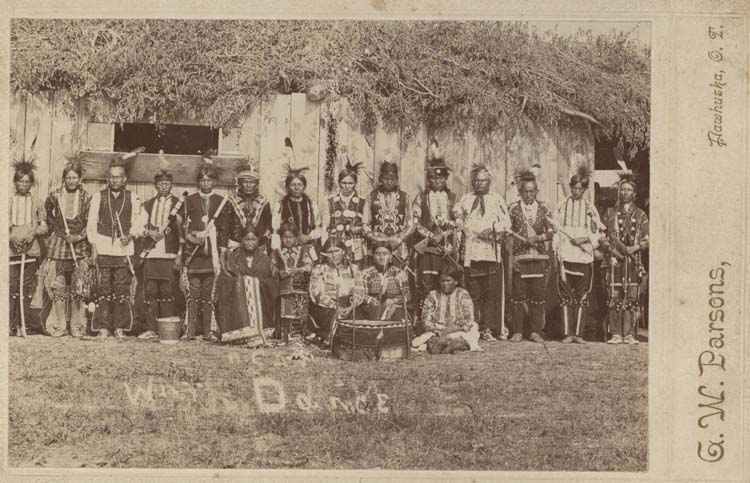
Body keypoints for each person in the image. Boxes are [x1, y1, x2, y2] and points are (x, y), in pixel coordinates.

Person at [86, 150, 146, 339]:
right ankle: (103, 327)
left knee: (121, 289)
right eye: (112, 177)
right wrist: (94, 246)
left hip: (123, 249)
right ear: (108, 178)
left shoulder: (133, 197)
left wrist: (131, 235)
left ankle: (120, 327)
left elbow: (141, 219)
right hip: (103, 247)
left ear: (125, 179)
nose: (115, 181)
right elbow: (91, 223)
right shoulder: (98, 197)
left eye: (118, 177)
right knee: (103, 288)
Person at [453, 162, 510, 341]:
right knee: (473, 292)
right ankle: (473, 327)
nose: (479, 184)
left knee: (490, 292)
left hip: (490, 252)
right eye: (476, 181)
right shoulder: (466, 199)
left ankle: (488, 328)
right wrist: (460, 222)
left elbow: (507, 223)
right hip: (472, 252)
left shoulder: (497, 199)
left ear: (489, 182)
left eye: (483, 181)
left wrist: (493, 231)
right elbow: (457, 217)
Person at [179, 157, 231, 342]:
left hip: (212, 255)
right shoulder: (189, 200)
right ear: (198, 182)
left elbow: (225, 229)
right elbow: (182, 226)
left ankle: (208, 331)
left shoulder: (222, 201)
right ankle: (191, 330)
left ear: (214, 182)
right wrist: (191, 237)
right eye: (202, 180)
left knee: (209, 294)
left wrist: (221, 251)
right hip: (194, 255)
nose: (206, 183)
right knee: (193, 294)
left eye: (209, 180)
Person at [42, 156, 92, 337]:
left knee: (79, 284)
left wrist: (78, 236)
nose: (71, 181)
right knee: (59, 285)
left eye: (74, 177)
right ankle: (58, 323)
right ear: (65, 179)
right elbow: (48, 212)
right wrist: (58, 229)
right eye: (68, 177)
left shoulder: (86, 197)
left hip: (78, 244)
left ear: (80, 179)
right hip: (61, 243)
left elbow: (90, 221)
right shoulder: (55, 195)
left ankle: (78, 324)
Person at [554, 164, 603, 343]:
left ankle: (579, 334)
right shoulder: (561, 206)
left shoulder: (590, 208)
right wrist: (558, 252)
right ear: (570, 187)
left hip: (583, 257)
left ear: (584, 189)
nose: (576, 191)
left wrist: (583, 239)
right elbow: (556, 231)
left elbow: (598, 231)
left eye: (579, 188)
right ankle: (568, 333)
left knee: (582, 295)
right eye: (573, 188)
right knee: (566, 295)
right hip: (566, 255)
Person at [411, 140, 460, 318]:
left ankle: (445, 318)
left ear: (445, 178)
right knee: (426, 284)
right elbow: (415, 223)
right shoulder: (421, 198)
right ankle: (424, 320)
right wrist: (432, 236)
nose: (436, 181)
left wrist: (446, 235)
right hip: (427, 250)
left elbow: (459, 222)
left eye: (440, 177)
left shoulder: (453, 198)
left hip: (446, 251)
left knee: (445, 283)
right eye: (432, 178)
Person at [507, 168, 555, 343]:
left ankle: (535, 331)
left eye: (531, 191)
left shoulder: (544, 210)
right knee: (518, 295)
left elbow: (551, 232)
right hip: (520, 258)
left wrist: (537, 237)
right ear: (520, 192)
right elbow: (507, 231)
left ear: (536, 191)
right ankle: (518, 331)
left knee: (537, 295)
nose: (528, 195)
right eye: (525, 191)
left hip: (539, 258)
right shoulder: (512, 210)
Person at [601, 173, 649, 345]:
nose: (625, 193)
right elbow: (603, 236)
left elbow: (647, 239)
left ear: (634, 193)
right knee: (614, 294)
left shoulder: (641, 214)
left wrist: (634, 248)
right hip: (615, 260)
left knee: (631, 296)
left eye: (629, 190)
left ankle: (629, 334)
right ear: (619, 192)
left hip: (633, 260)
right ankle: (615, 333)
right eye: (622, 190)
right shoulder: (610, 213)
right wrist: (613, 250)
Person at [137, 169, 183, 340]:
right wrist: (149, 233)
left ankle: (167, 328)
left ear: (171, 185)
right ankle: (151, 328)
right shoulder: (148, 205)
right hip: (151, 253)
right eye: (161, 183)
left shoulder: (180, 205)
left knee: (167, 290)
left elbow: (183, 235)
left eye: (167, 183)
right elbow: (138, 227)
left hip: (169, 254)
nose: (164, 186)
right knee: (150, 291)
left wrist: (179, 254)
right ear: (155, 185)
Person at [216, 226, 279, 344]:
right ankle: (240, 332)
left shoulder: (264, 259)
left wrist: (255, 283)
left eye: (253, 240)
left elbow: (271, 281)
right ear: (242, 241)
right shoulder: (234, 257)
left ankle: (259, 330)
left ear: (258, 241)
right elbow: (225, 279)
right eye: (247, 240)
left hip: (261, 300)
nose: (250, 243)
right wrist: (241, 282)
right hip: (238, 300)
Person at [9, 155, 48, 336]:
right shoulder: (7, 201)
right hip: (11, 250)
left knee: (26, 287)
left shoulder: (37, 202)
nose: (23, 185)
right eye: (20, 181)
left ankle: (23, 324)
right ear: (15, 182)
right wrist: (11, 238)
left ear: (31, 183)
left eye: (27, 182)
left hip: (30, 249)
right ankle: (10, 323)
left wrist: (32, 234)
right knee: (12, 286)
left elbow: (44, 226)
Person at [308, 238, 364, 346]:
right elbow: (316, 293)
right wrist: (335, 306)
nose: (333, 255)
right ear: (325, 254)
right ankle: (331, 337)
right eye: (330, 252)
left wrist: (351, 306)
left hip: (350, 305)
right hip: (327, 307)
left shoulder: (353, 269)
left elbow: (359, 290)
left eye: (336, 251)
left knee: (359, 319)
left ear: (343, 252)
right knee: (333, 320)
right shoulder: (319, 269)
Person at [412, 266, 481, 354]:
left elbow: (469, 319)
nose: (445, 284)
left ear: (456, 282)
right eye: (442, 281)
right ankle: (447, 344)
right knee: (426, 339)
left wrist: (450, 330)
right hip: (438, 330)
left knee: (473, 330)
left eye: (448, 281)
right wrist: (437, 330)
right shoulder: (432, 295)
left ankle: (455, 344)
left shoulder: (463, 294)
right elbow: (425, 319)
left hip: (458, 329)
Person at [271, 222, 317, 341]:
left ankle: (301, 332)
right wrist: (279, 272)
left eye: (290, 237)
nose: (288, 240)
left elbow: (310, 266)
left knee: (300, 309)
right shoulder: (277, 252)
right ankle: (284, 333)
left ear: (296, 238)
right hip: (284, 287)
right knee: (284, 310)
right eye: (285, 237)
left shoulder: (303, 250)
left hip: (300, 286)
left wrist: (298, 269)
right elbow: (272, 267)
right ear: (281, 238)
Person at [323, 160, 369, 267]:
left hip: (356, 243)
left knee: (355, 272)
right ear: (339, 183)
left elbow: (365, 225)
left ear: (355, 184)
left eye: (350, 183)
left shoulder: (362, 201)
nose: (347, 186)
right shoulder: (330, 201)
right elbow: (325, 226)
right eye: (343, 183)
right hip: (336, 244)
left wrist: (359, 229)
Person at [367, 161, 413, 267]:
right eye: (386, 179)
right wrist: (377, 239)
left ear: (397, 180)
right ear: (380, 179)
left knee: (399, 277)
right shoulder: (371, 197)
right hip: (378, 245)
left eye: (392, 179)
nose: (389, 182)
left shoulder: (405, 197)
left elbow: (410, 224)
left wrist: (399, 239)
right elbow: (365, 224)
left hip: (398, 246)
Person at [272, 165, 323, 254]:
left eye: (300, 184)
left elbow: (318, 227)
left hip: (308, 247)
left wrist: (309, 237)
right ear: (287, 187)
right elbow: (275, 230)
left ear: (304, 186)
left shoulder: (311, 204)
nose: (296, 188)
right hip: (286, 248)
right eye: (293, 185)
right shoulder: (280, 205)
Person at [357, 242, 411, 321]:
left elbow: (407, 295)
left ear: (391, 256)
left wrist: (394, 301)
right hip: (371, 311)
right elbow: (360, 295)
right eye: (378, 254)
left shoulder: (399, 273)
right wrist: (371, 300)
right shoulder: (365, 274)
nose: (381, 257)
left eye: (385, 254)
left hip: (394, 311)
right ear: (373, 256)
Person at [228, 161, 273, 252]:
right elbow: (226, 225)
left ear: (256, 184)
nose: (248, 185)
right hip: (236, 245)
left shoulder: (263, 202)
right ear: (240, 184)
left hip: (258, 244)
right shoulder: (231, 201)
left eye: (252, 182)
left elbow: (268, 225)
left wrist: (262, 241)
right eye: (245, 182)